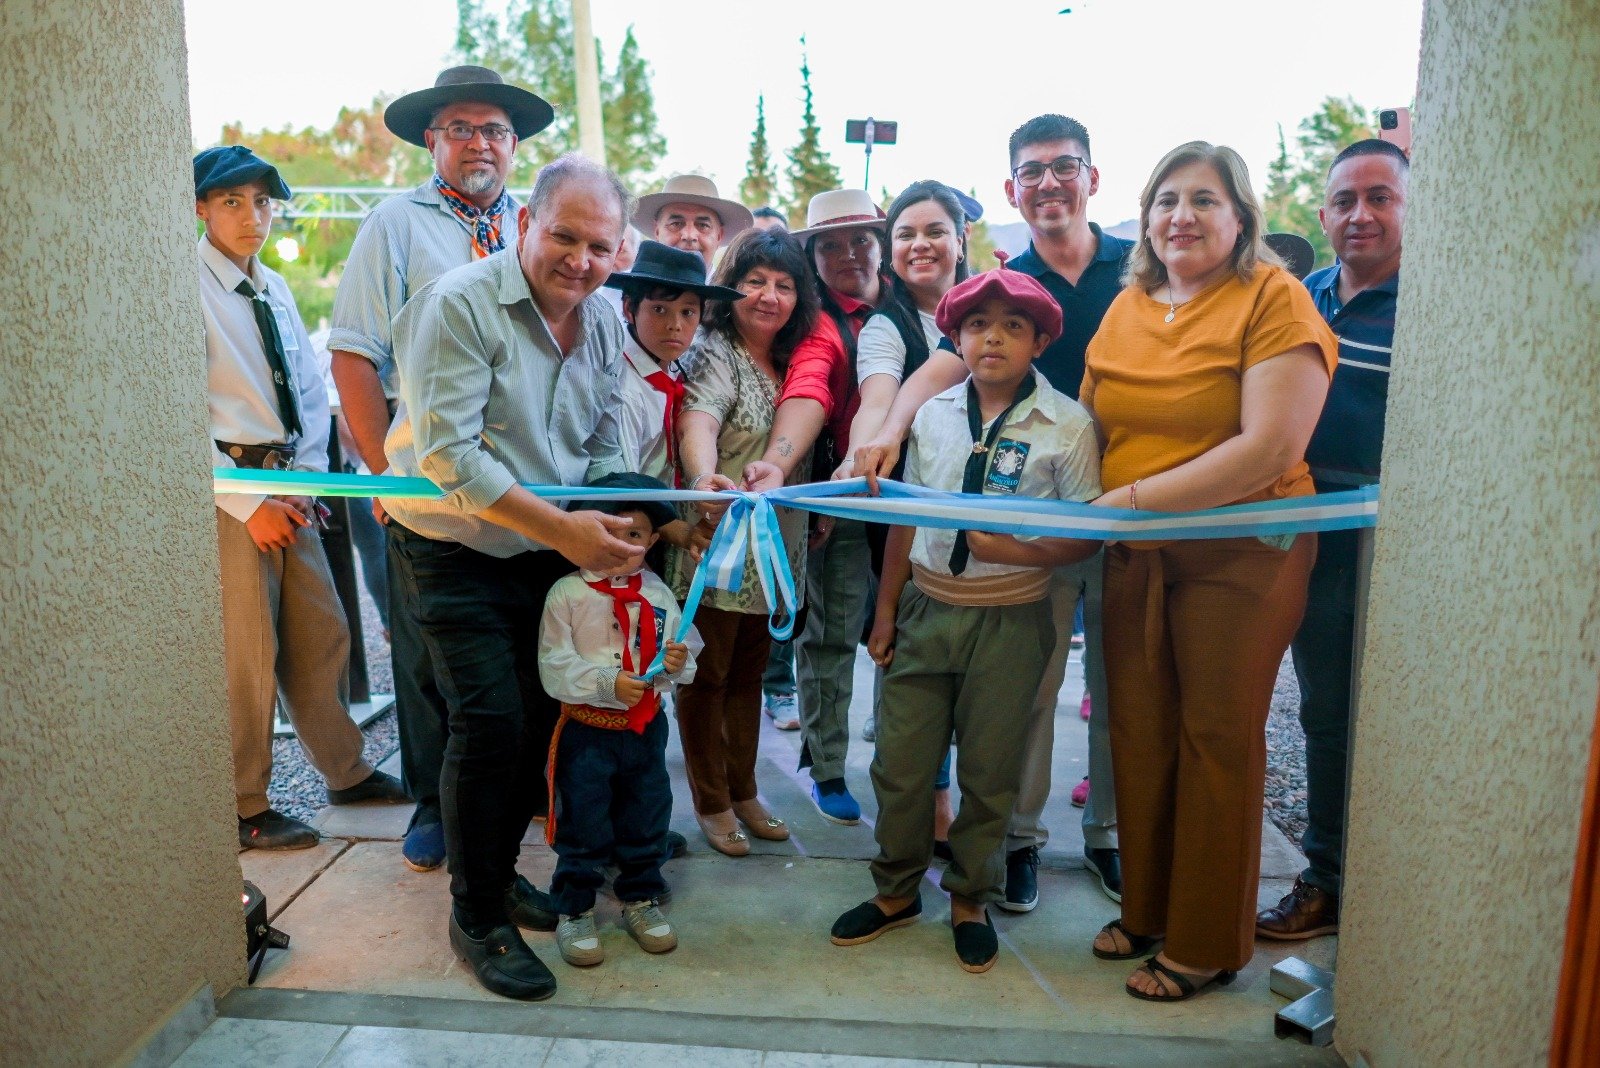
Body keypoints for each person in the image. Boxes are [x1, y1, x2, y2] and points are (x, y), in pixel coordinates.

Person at [853, 115, 1131, 911]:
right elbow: (939, 369)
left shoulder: (1136, 269)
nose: (1049, 184)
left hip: (1117, 498)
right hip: (1018, 530)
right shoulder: (1013, 277)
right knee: (1031, 699)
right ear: (1011, 189)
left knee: (1115, 685)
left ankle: (1108, 834)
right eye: (1031, 172)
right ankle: (1020, 841)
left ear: (1092, 177)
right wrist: (887, 431)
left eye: (1064, 167)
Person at [381, 154, 642, 1001]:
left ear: (619, 249)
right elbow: (448, 456)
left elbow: (603, 439)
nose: (581, 260)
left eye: (599, 246)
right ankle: (475, 915)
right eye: (564, 236)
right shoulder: (458, 304)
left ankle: (496, 876)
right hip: (452, 544)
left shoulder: (605, 319)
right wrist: (568, 532)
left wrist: (631, 516)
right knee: (489, 723)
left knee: (535, 724)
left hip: (547, 548)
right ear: (525, 223)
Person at [1081, 142, 1337, 1002]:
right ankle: (1150, 910)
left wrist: (1128, 502)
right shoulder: (1128, 306)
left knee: (1216, 738)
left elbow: (1269, 447)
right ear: (1146, 219)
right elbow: (1092, 426)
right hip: (1137, 549)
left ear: (1241, 217)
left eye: (1203, 199)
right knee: (1140, 730)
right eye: (1166, 199)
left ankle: (1204, 942)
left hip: (1242, 554)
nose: (1180, 215)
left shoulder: (1274, 298)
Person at [830, 270, 1101, 973]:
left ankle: (971, 896)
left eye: (1013, 326)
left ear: (1040, 341)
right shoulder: (931, 416)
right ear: (955, 338)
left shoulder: (1067, 425)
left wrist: (1013, 550)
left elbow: (1086, 535)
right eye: (978, 325)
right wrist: (885, 612)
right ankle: (896, 890)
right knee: (901, 763)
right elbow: (905, 518)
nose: (993, 339)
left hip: (1012, 617)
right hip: (925, 608)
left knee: (989, 769)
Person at [329, 65, 553, 873]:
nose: (479, 143)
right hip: (426, 478)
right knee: (428, 654)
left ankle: (526, 791)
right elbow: (354, 355)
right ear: (432, 140)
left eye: (494, 129)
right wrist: (384, 480)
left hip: (523, 480)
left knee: (525, 649)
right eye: (461, 128)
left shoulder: (537, 229)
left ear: (514, 144)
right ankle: (434, 803)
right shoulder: (395, 224)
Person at [196, 145, 407, 850]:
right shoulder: (183, 288)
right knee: (248, 652)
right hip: (233, 492)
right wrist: (246, 504)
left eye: (261, 202)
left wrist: (307, 482)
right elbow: (176, 411)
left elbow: (311, 396)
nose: (251, 217)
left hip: (292, 488)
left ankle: (345, 771)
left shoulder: (276, 288)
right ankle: (243, 804)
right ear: (200, 208)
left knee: (323, 633)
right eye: (232, 202)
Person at [1257, 139, 1408, 942]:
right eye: (1345, 200)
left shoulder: (1432, 308)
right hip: (1300, 538)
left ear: (1411, 209)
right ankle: (1328, 879)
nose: (1361, 215)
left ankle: (1371, 883)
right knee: (1321, 713)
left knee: (1381, 718)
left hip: (1388, 551)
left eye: (1380, 197)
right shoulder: (1298, 299)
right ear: (1322, 214)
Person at [671, 227, 821, 855]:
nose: (769, 296)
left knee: (749, 676)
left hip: (775, 551)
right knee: (707, 676)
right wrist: (704, 479)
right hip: (716, 543)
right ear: (729, 287)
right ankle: (712, 802)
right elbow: (699, 419)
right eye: (755, 281)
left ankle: (745, 791)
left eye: (784, 285)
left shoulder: (793, 359)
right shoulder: (714, 350)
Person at [845, 179, 970, 847]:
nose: (920, 244)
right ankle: (927, 800)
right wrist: (866, 448)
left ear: (961, 240)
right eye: (905, 234)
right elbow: (878, 395)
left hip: (989, 519)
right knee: (910, 658)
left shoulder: (996, 308)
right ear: (890, 250)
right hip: (910, 530)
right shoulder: (886, 326)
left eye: (934, 231)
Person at [538, 473, 699, 967]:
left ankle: (640, 896)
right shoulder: (567, 594)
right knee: (583, 818)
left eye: (634, 534)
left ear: (651, 541)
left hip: (646, 729)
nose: (621, 545)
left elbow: (683, 653)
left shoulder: (659, 594)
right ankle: (575, 907)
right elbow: (554, 664)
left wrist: (676, 664)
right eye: (609, 531)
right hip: (588, 731)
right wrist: (607, 683)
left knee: (647, 811)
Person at [785, 188, 892, 824]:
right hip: (840, 498)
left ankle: (907, 761)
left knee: (904, 632)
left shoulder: (909, 305)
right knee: (830, 635)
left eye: (860, 239)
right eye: (830, 245)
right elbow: (809, 386)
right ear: (813, 256)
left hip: (913, 499)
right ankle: (826, 766)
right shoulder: (815, 323)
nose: (848, 254)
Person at [633, 173, 754, 272]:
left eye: (703, 225)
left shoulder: (737, 295)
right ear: (657, 231)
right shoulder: (629, 290)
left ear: (719, 236)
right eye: (676, 224)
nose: (689, 235)